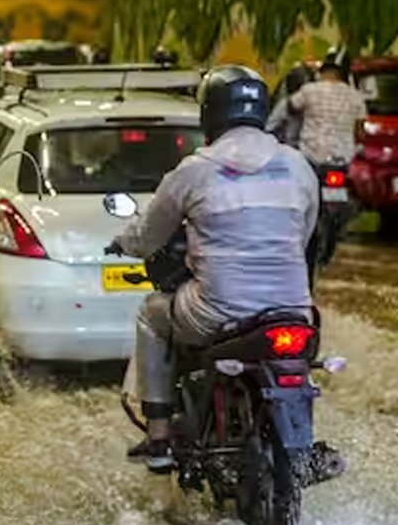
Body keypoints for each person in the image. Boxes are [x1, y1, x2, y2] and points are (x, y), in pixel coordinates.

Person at [108, 65, 319, 473]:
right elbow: (303, 237)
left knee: (153, 313)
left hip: (219, 312)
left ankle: (158, 437)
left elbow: (149, 235)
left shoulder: (195, 169)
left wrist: (123, 243)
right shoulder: (297, 166)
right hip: (294, 310)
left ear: (211, 113)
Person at [286, 48, 367, 164]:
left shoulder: (309, 90)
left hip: (311, 154)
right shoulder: (356, 96)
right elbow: (360, 132)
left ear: (322, 72)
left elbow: (291, 106)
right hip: (344, 156)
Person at [266, 63, 314, 147]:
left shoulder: (315, 104)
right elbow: (269, 128)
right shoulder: (286, 104)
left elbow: (269, 127)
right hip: (289, 146)